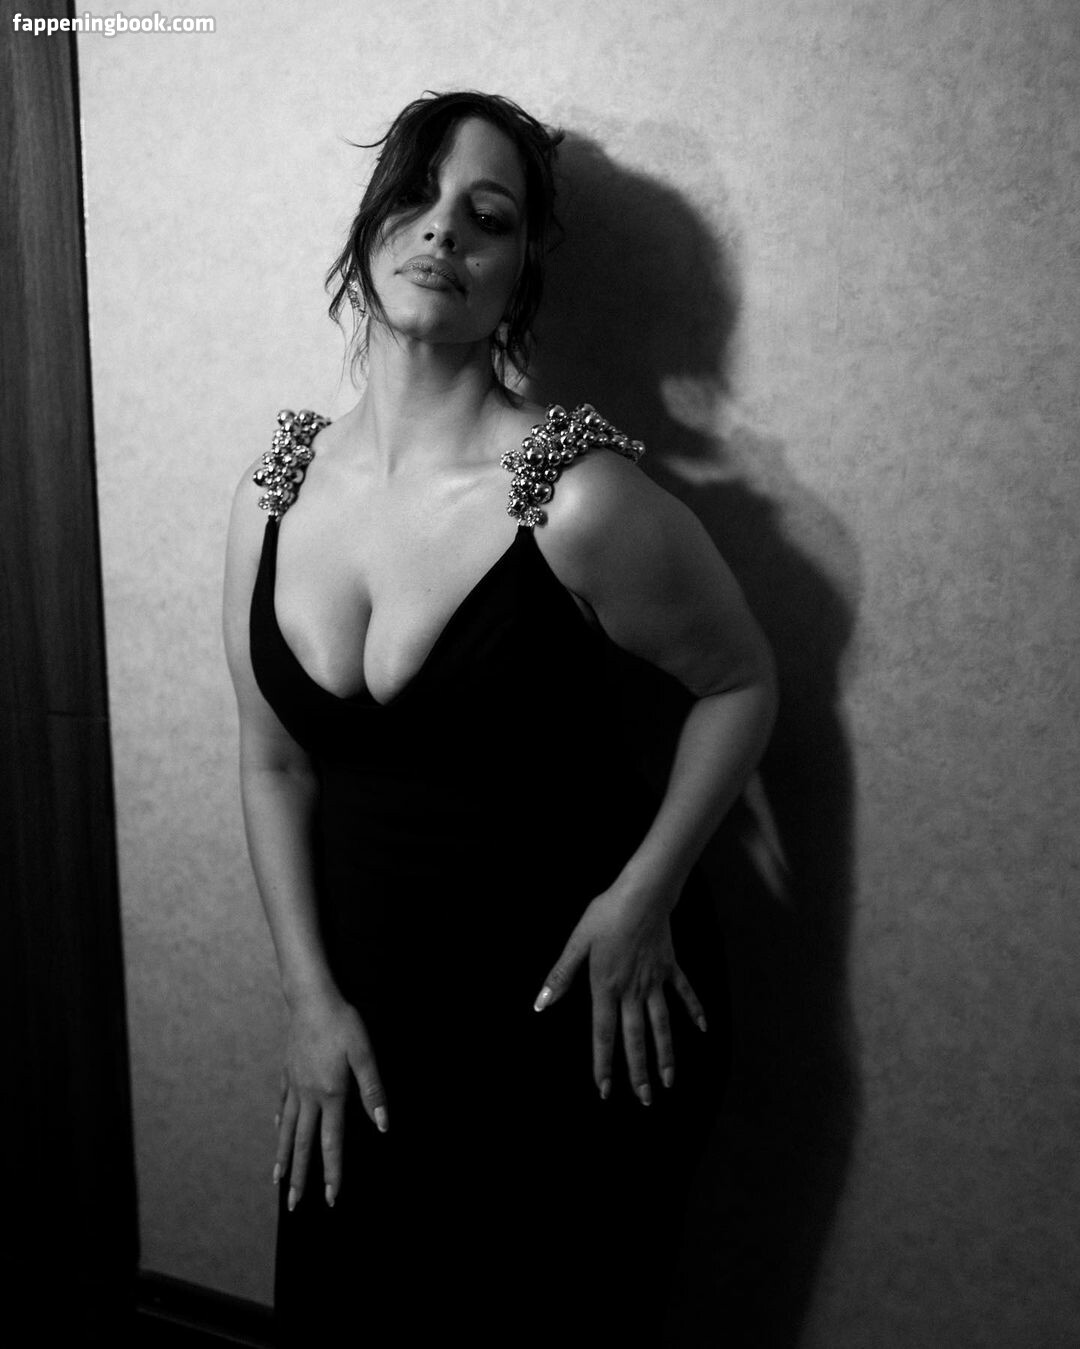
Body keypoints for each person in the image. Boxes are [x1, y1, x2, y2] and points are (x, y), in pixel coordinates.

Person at [223, 90, 776, 1346]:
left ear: (521, 270)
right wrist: (308, 999)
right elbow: (273, 763)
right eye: (416, 198)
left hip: (573, 1014)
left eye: (488, 216)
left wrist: (642, 897)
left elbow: (741, 682)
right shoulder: (270, 494)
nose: (443, 232)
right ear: (369, 229)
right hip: (365, 1017)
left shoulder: (576, 497)